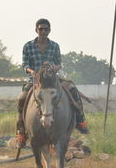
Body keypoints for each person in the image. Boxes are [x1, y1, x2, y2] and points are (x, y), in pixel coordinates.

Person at [16, 18, 90, 149]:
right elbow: (25, 65)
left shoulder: (55, 46)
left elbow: (59, 63)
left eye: (46, 29)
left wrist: (55, 68)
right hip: (35, 80)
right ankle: (21, 132)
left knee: (72, 88)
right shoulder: (28, 46)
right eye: (41, 29)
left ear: (49, 31)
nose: (43, 31)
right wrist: (32, 71)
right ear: (36, 30)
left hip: (52, 79)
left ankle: (80, 121)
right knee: (22, 98)